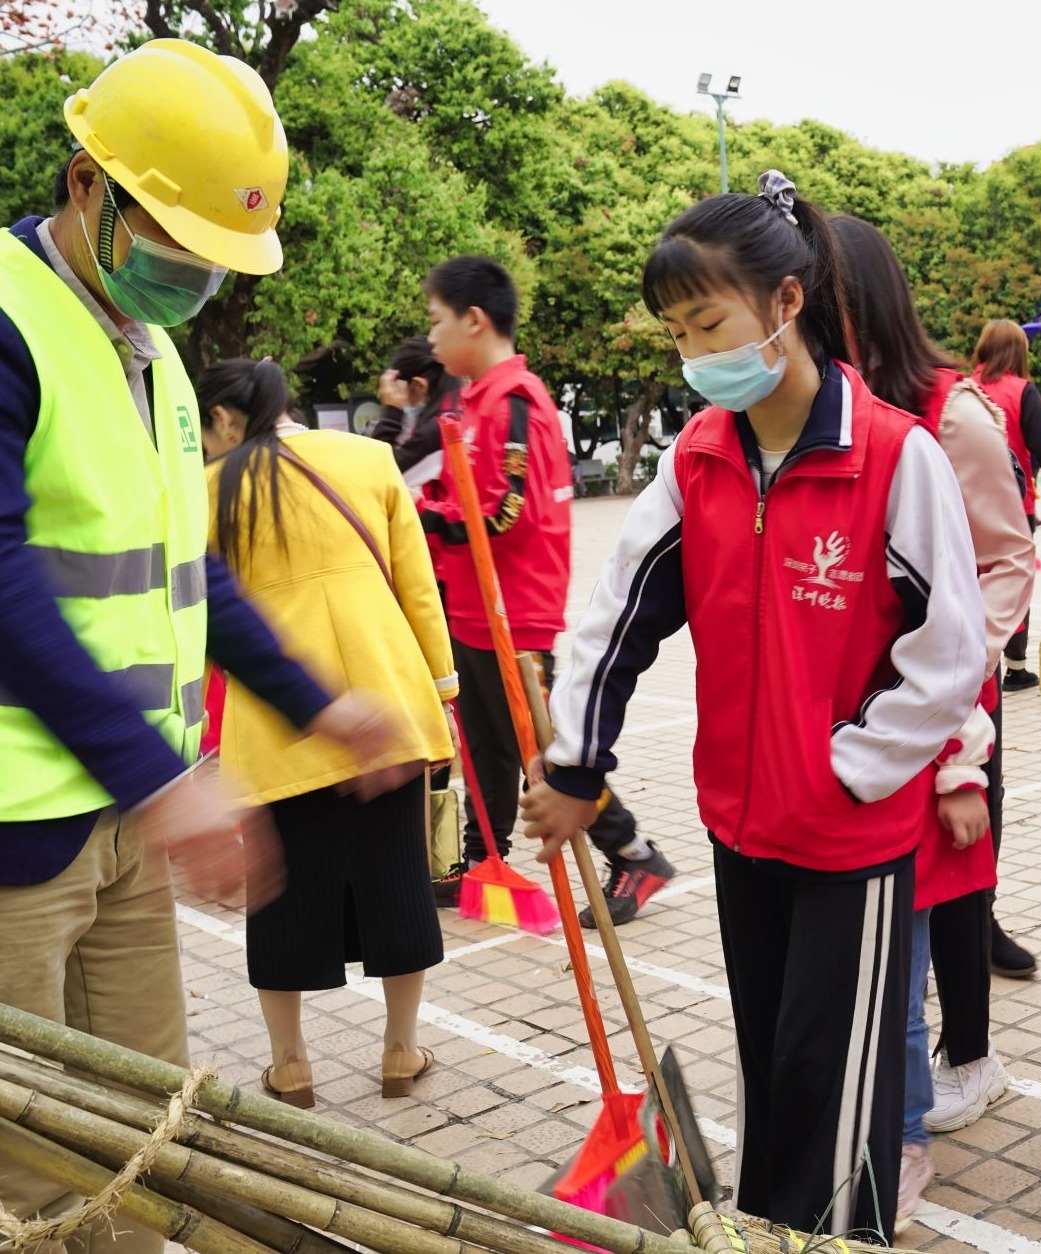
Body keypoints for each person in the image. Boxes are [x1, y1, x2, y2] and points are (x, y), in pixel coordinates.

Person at [520, 171, 987, 1242]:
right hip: (742, 826)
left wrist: (849, 765)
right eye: (677, 333)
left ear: (785, 303)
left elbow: (950, 655)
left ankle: (828, 1236)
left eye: (708, 321)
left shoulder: (891, 455)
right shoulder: (700, 460)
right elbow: (614, 618)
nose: (694, 353)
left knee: (837, 1091)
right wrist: (576, 770)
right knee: (774, 1064)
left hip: (849, 834)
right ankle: (770, 1231)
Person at [0, 41, 397, 1252]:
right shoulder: (11, 325)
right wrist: (160, 782)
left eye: (212, 263)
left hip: (132, 810)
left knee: (141, 1134)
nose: (190, 281)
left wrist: (314, 698)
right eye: (172, 246)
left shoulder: (152, 354)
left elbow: (188, 568)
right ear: (85, 186)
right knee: (34, 1164)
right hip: (23, 828)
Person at [827, 213, 1034, 1218]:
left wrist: (952, 675)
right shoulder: (811, 408)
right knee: (879, 921)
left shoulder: (949, 414)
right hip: (843, 718)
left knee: (939, 903)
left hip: (941, 710)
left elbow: (1005, 559)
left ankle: (954, 1072)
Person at [200, 359, 457, 1107]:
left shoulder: (204, 488)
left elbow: (202, 613)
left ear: (223, 418)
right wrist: (440, 691)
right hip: (382, 708)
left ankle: (291, 1065)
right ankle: (401, 1051)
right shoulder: (369, 458)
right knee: (396, 881)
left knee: (281, 896)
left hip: (275, 716)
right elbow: (417, 588)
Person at [416, 256, 665, 926]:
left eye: (437, 322)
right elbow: (456, 491)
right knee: (486, 748)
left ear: (474, 319)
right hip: (470, 608)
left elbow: (503, 512)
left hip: (514, 616)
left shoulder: (515, 401)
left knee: (543, 757)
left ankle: (635, 855)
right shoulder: (471, 402)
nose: (430, 338)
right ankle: (482, 860)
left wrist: (421, 516)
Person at [974, 319, 1041, 698]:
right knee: (1011, 582)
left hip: (962, 508)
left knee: (972, 582)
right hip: (1011, 507)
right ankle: (1014, 669)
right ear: (1020, 353)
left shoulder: (962, 390)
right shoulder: (1022, 392)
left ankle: (973, 660)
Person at [367, 335, 461, 494]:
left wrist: (392, 413)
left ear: (418, 385)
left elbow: (375, 478)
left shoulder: (434, 432)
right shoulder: (460, 414)